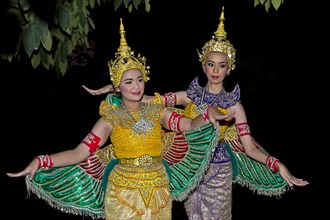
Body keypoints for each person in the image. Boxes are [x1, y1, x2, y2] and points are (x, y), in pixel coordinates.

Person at [83, 7, 309, 220]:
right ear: (204, 66)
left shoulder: (234, 107)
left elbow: (249, 148)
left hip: (219, 172)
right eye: (211, 64)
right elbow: (146, 100)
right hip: (191, 170)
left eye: (222, 66)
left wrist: (276, 164)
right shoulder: (189, 96)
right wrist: (116, 86)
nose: (216, 71)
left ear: (229, 69)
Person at [6, 18, 235, 220]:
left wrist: (208, 114)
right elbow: (79, 153)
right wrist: (41, 161)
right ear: (117, 87)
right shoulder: (110, 118)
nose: (136, 86)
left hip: (158, 191)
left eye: (139, 80)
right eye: (128, 82)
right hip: (122, 193)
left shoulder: (157, 110)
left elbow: (188, 125)